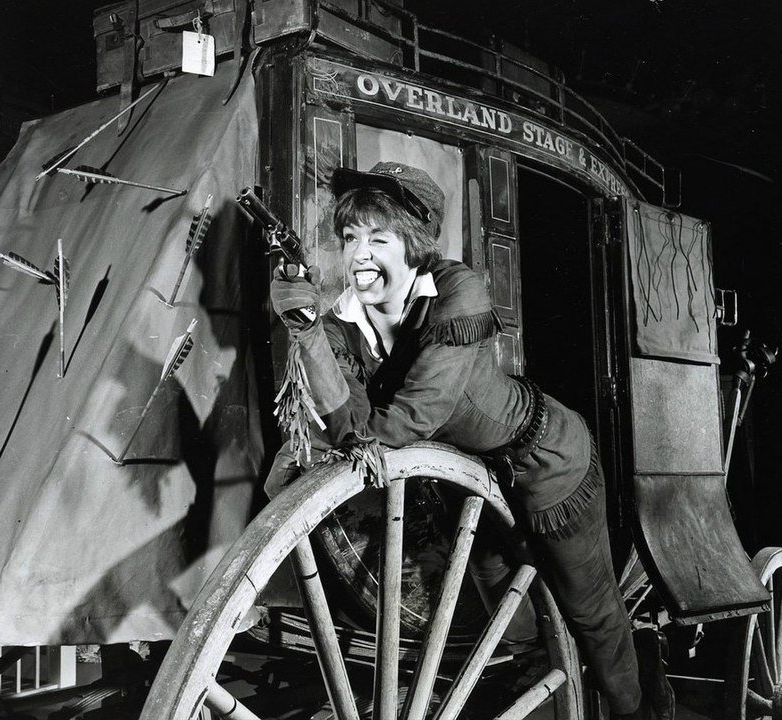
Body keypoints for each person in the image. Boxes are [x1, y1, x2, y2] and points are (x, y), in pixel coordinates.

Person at [267, 161, 675, 719]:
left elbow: (405, 421)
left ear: (412, 243)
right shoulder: (344, 322)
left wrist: (342, 404)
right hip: (472, 486)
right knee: (517, 628)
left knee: (592, 615)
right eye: (349, 237)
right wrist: (308, 328)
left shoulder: (459, 290)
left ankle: (637, 713)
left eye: (378, 238)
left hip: (547, 461)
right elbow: (353, 430)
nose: (359, 254)